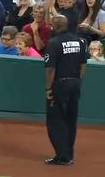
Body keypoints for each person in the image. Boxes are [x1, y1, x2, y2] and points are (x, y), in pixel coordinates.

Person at [44, 14, 87, 165]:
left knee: (56, 120)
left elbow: (51, 70)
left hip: (60, 84)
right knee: (71, 120)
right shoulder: (79, 41)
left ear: (55, 27)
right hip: (75, 83)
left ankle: (62, 156)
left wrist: (49, 88)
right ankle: (69, 154)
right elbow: (83, 64)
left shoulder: (53, 43)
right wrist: (78, 81)